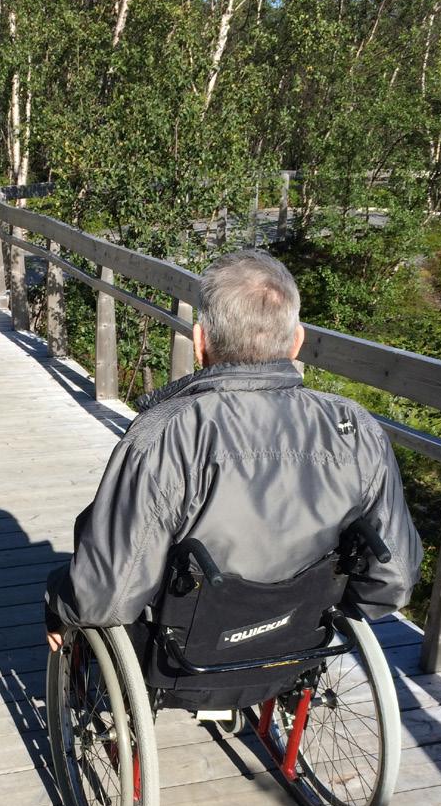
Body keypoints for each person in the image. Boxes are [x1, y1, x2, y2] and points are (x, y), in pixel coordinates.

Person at [45, 249, 422, 653]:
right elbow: (394, 575)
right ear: (297, 342)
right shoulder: (355, 428)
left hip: (187, 649)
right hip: (300, 636)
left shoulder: (165, 434)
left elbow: (109, 596)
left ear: (199, 340)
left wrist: (61, 604)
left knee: (66, 590)